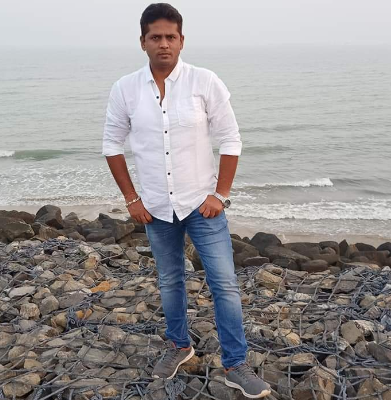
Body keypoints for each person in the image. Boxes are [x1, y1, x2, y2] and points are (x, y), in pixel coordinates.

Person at [102, 3, 271, 398]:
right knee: (169, 281)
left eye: (170, 37)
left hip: (201, 205)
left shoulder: (204, 82)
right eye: (155, 37)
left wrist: (220, 195)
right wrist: (131, 199)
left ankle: (235, 365)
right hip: (156, 208)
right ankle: (179, 345)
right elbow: (111, 144)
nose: (163, 44)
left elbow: (231, 139)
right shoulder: (125, 88)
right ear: (142, 42)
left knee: (224, 283)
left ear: (181, 41)